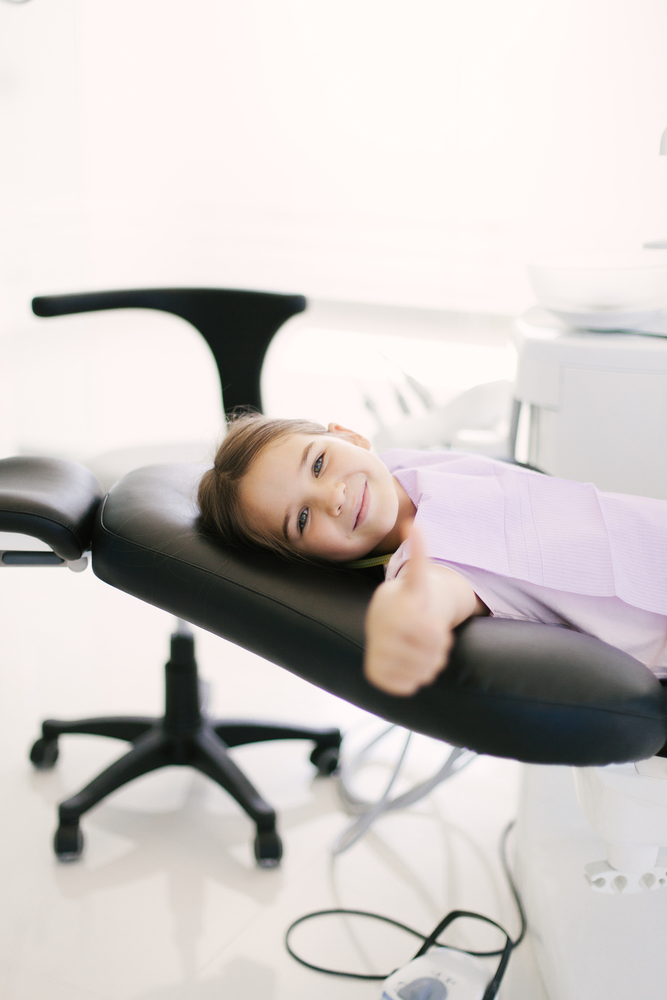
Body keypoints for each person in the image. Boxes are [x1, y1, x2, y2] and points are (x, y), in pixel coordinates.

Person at [198, 412, 667, 697]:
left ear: (349, 436)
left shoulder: (409, 463)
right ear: (312, 561)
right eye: (301, 519)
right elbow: (428, 599)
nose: (332, 498)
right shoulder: (424, 564)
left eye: (318, 463)